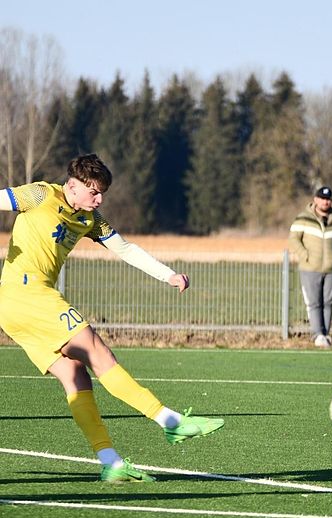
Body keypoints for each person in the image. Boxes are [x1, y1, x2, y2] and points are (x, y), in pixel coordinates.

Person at [0, 154, 224, 482]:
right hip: (27, 294)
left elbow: (126, 249)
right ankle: (171, 422)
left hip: (13, 307)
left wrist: (168, 275)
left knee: (76, 377)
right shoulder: (42, 194)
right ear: (72, 186)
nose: (99, 199)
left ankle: (111, 461)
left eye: (102, 192)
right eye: (93, 192)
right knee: (99, 355)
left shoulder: (90, 219)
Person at [289, 186, 332, 347]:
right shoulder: (303, 218)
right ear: (315, 199)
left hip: (330, 269)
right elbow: (293, 239)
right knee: (314, 303)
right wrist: (305, 255)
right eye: (322, 198)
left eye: (328, 199)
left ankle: (325, 333)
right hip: (310, 268)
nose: (325, 202)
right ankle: (317, 335)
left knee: (329, 302)